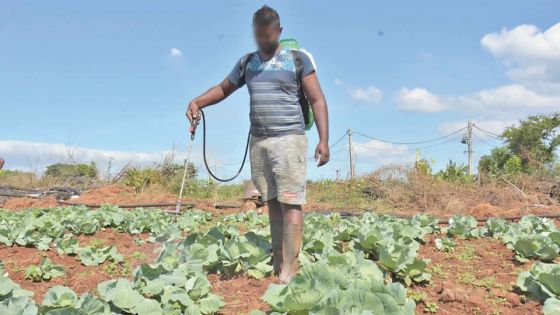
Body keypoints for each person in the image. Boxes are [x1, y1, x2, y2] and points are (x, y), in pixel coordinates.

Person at [186, 5, 329, 283]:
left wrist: (323, 139)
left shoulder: (296, 60)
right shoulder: (247, 63)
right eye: (258, 36)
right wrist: (197, 102)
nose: (263, 41)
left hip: (289, 139)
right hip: (260, 141)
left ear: (279, 31)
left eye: (268, 35)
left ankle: (291, 269)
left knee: (291, 202)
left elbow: (317, 99)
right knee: (272, 202)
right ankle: (279, 260)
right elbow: (223, 89)